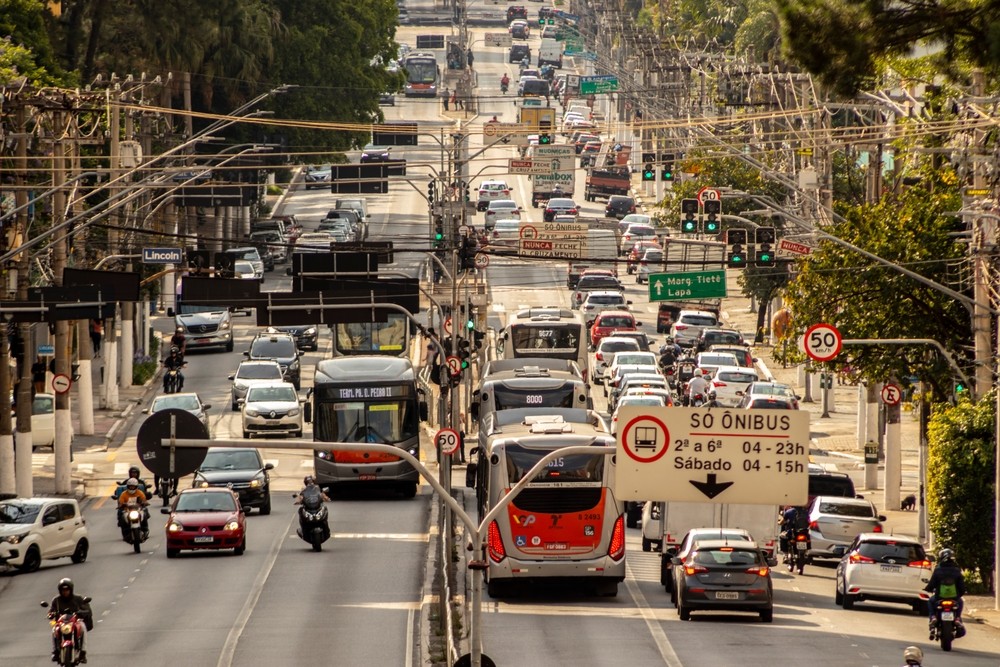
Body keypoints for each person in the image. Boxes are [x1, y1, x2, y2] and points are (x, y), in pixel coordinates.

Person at [48, 578, 92, 663]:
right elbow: (51, 611)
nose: (65, 592)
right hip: (61, 622)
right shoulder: (56, 600)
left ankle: (83, 652)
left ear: (71, 590)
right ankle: (55, 652)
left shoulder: (78, 598)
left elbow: (86, 608)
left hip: (75, 621)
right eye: (63, 590)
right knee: (53, 629)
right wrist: (51, 614)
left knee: (83, 627)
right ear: (60, 590)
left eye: (67, 590)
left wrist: (82, 612)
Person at [925, 547, 966, 637]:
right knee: (961, 602)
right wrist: (959, 594)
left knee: (930, 601)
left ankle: (933, 617)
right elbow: (962, 587)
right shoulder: (957, 570)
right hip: (954, 598)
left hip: (939, 597)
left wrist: (927, 589)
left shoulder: (938, 570)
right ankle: (958, 618)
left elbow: (932, 584)